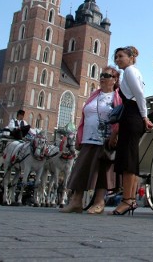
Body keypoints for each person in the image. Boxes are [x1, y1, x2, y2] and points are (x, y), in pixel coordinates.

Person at [60, 65, 122, 214]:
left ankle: (99, 202)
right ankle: (76, 202)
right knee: (81, 170)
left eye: (106, 76)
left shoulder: (117, 97)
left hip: (104, 140)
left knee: (102, 172)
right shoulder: (94, 95)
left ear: (114, 80)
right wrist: (79, 136)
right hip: (88, 137)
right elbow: (84, 116)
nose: (102, 78)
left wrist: (115, 135)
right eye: (101, 75)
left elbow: (120, 118)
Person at [110, 46, 153, 216]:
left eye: (121, 56)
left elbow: (139, 95)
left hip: (132, 116)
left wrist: (144, 117)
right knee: (130, 159)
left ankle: (128, 200)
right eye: (116, 57)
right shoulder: (133, 72)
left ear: (130, 58)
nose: (117, 59)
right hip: (131, 116)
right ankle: (130, 199)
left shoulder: (129, 71)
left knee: (128, 160)